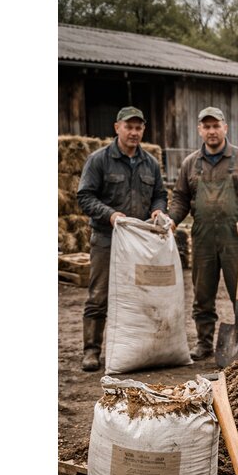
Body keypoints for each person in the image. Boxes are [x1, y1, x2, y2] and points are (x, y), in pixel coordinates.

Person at [170, 107, 238, 360]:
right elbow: (181, 199)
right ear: (200, 130)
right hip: (203, 238)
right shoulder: (190, 163)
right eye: (207, 126)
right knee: (202, 295)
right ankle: (204, 343)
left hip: (237, 238)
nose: (212, 131)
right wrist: (171, 220)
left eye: (216, 126)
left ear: (225, 128)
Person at [76, 106, 168, 371]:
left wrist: (158, 208)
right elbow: (85, 196)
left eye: (139, 127)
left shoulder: (150, 162)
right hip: (107, 239)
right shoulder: (99, 159)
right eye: (129, 127)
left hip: (139, 242)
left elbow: (160, 194)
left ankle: (137, 350)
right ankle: (91, 351)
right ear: (117, 128)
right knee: (99, 295)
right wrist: (111, 215)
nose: (134, 132)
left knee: (139, 296)